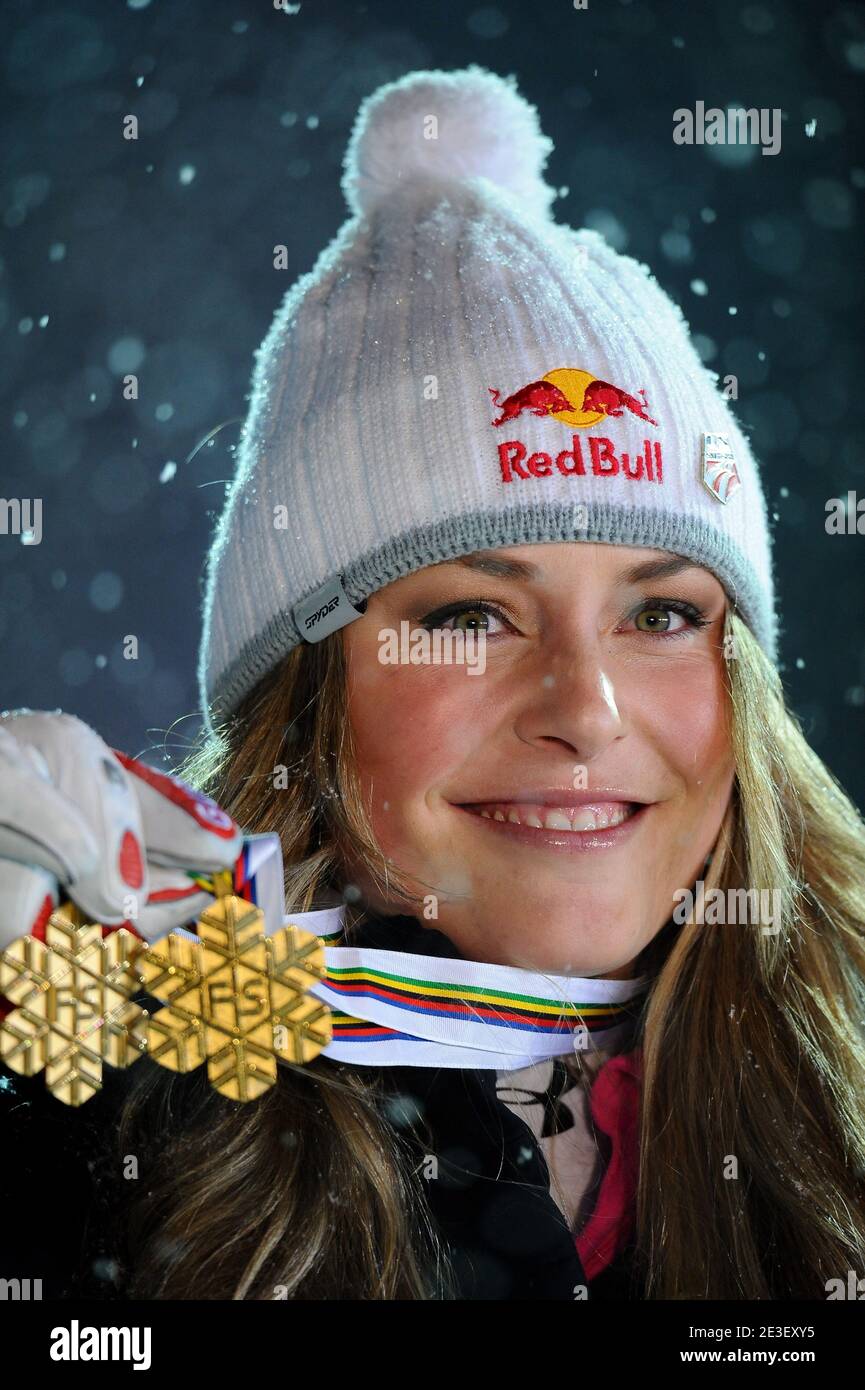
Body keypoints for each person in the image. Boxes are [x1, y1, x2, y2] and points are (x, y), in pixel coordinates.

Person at [2, 65, 865, 1302]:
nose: (585, 711)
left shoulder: (843, 1123)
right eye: (470, 615)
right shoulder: (101, 1147)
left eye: (663, 613)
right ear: (304, 698)